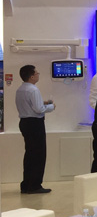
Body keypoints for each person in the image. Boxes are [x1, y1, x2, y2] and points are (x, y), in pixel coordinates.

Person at [16, 64, 55, 193]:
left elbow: (30, 105)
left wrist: (43, 103)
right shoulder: (33, 90)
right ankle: (35, 185)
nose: (38, 75)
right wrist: (51, 107)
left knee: (30, 154)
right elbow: (39, 109)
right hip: (35, 124)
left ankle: (26, 184)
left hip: (25, 123)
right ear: (32, 76)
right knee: (38, 154)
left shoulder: (20, 89)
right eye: (37, 73)